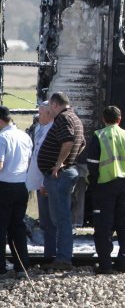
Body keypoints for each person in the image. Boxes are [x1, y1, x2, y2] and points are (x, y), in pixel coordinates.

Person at [84, 105, 125, 274]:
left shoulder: (99, 135)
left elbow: (93, 165)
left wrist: (94, 184)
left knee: (104, 226)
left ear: (104, 119)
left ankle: (105, 265)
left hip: (105, 186)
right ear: (119, 119)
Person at [36, 92, 85, 270]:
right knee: (60, 218)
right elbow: (82, 143)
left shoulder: (63, 118)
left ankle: (63, 258)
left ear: (56, 105)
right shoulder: (75, 118)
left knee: (61, 219)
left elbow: (68, 141)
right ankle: (59, 256)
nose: (49, 109)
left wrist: (59, 164)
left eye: (50, 106)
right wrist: (70, 160)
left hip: (59, 175)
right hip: (64, 173)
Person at [0, 105, 34, 278]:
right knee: (17, 227)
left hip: (4, 186)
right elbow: (28, 162)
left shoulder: (2, 138)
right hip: (21, 186)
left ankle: (1, 268)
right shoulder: (25, 136)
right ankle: (22, 266)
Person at [25, 102, 56, 262]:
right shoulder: (40, 128)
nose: (38, 116)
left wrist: (44, 181)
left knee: (50, 220)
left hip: (46, 181)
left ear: (49, 114)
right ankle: (48, 252)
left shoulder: (51, 130)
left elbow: (49, 159)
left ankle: (51, 255)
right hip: (39, 181)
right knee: (45, 220)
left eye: (41, 114)